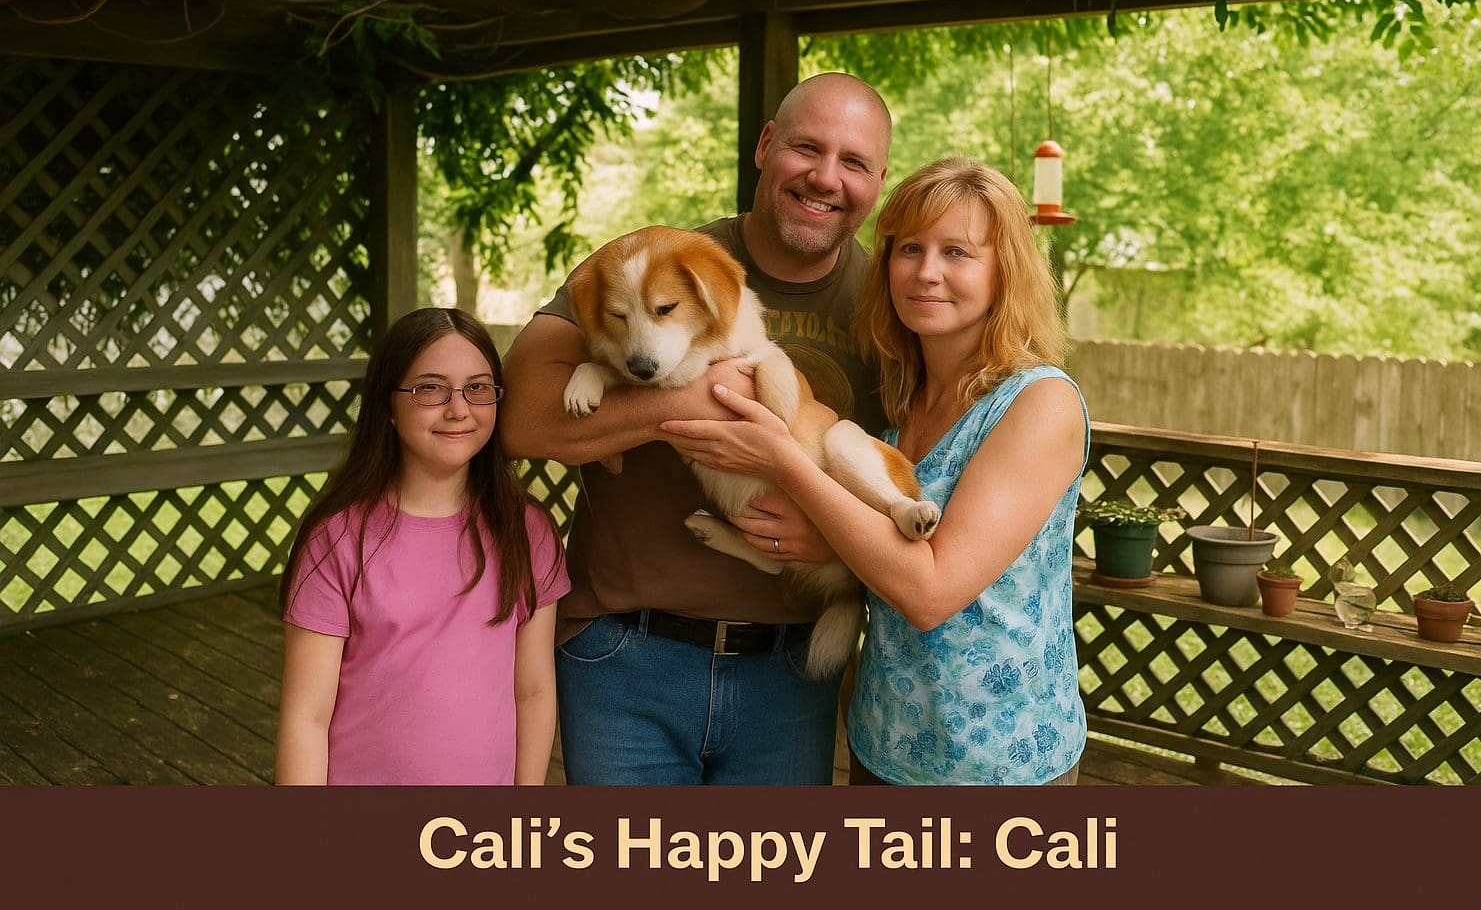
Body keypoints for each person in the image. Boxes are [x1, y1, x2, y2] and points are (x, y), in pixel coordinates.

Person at [499, 72, 892, 784]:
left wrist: (834, 528)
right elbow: (524, 420)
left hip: (790, 667)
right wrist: (701, 400)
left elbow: (924, 471)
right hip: (627, 655)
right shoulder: (653, 261)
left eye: (854, 161)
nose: (825, 176)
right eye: (807, 147)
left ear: (878, 179)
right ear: (766, 145)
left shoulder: (893, 304)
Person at [662, 156, 1090, 784]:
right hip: (883, 744)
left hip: (1002, 765)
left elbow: (929, 593)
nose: (926, 272)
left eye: (958, 253)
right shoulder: (899, 402)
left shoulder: (1038, 403)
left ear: (1006, 273)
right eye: (909, 248)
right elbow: (870, 550)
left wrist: (782, 458)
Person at [275, 308, 569, 785]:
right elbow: (306, 717)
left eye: (477, 388)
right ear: (389, 406)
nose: (458, 409)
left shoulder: (527, 530)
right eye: (430, 388)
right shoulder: (338, 538)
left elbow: (532, 691)